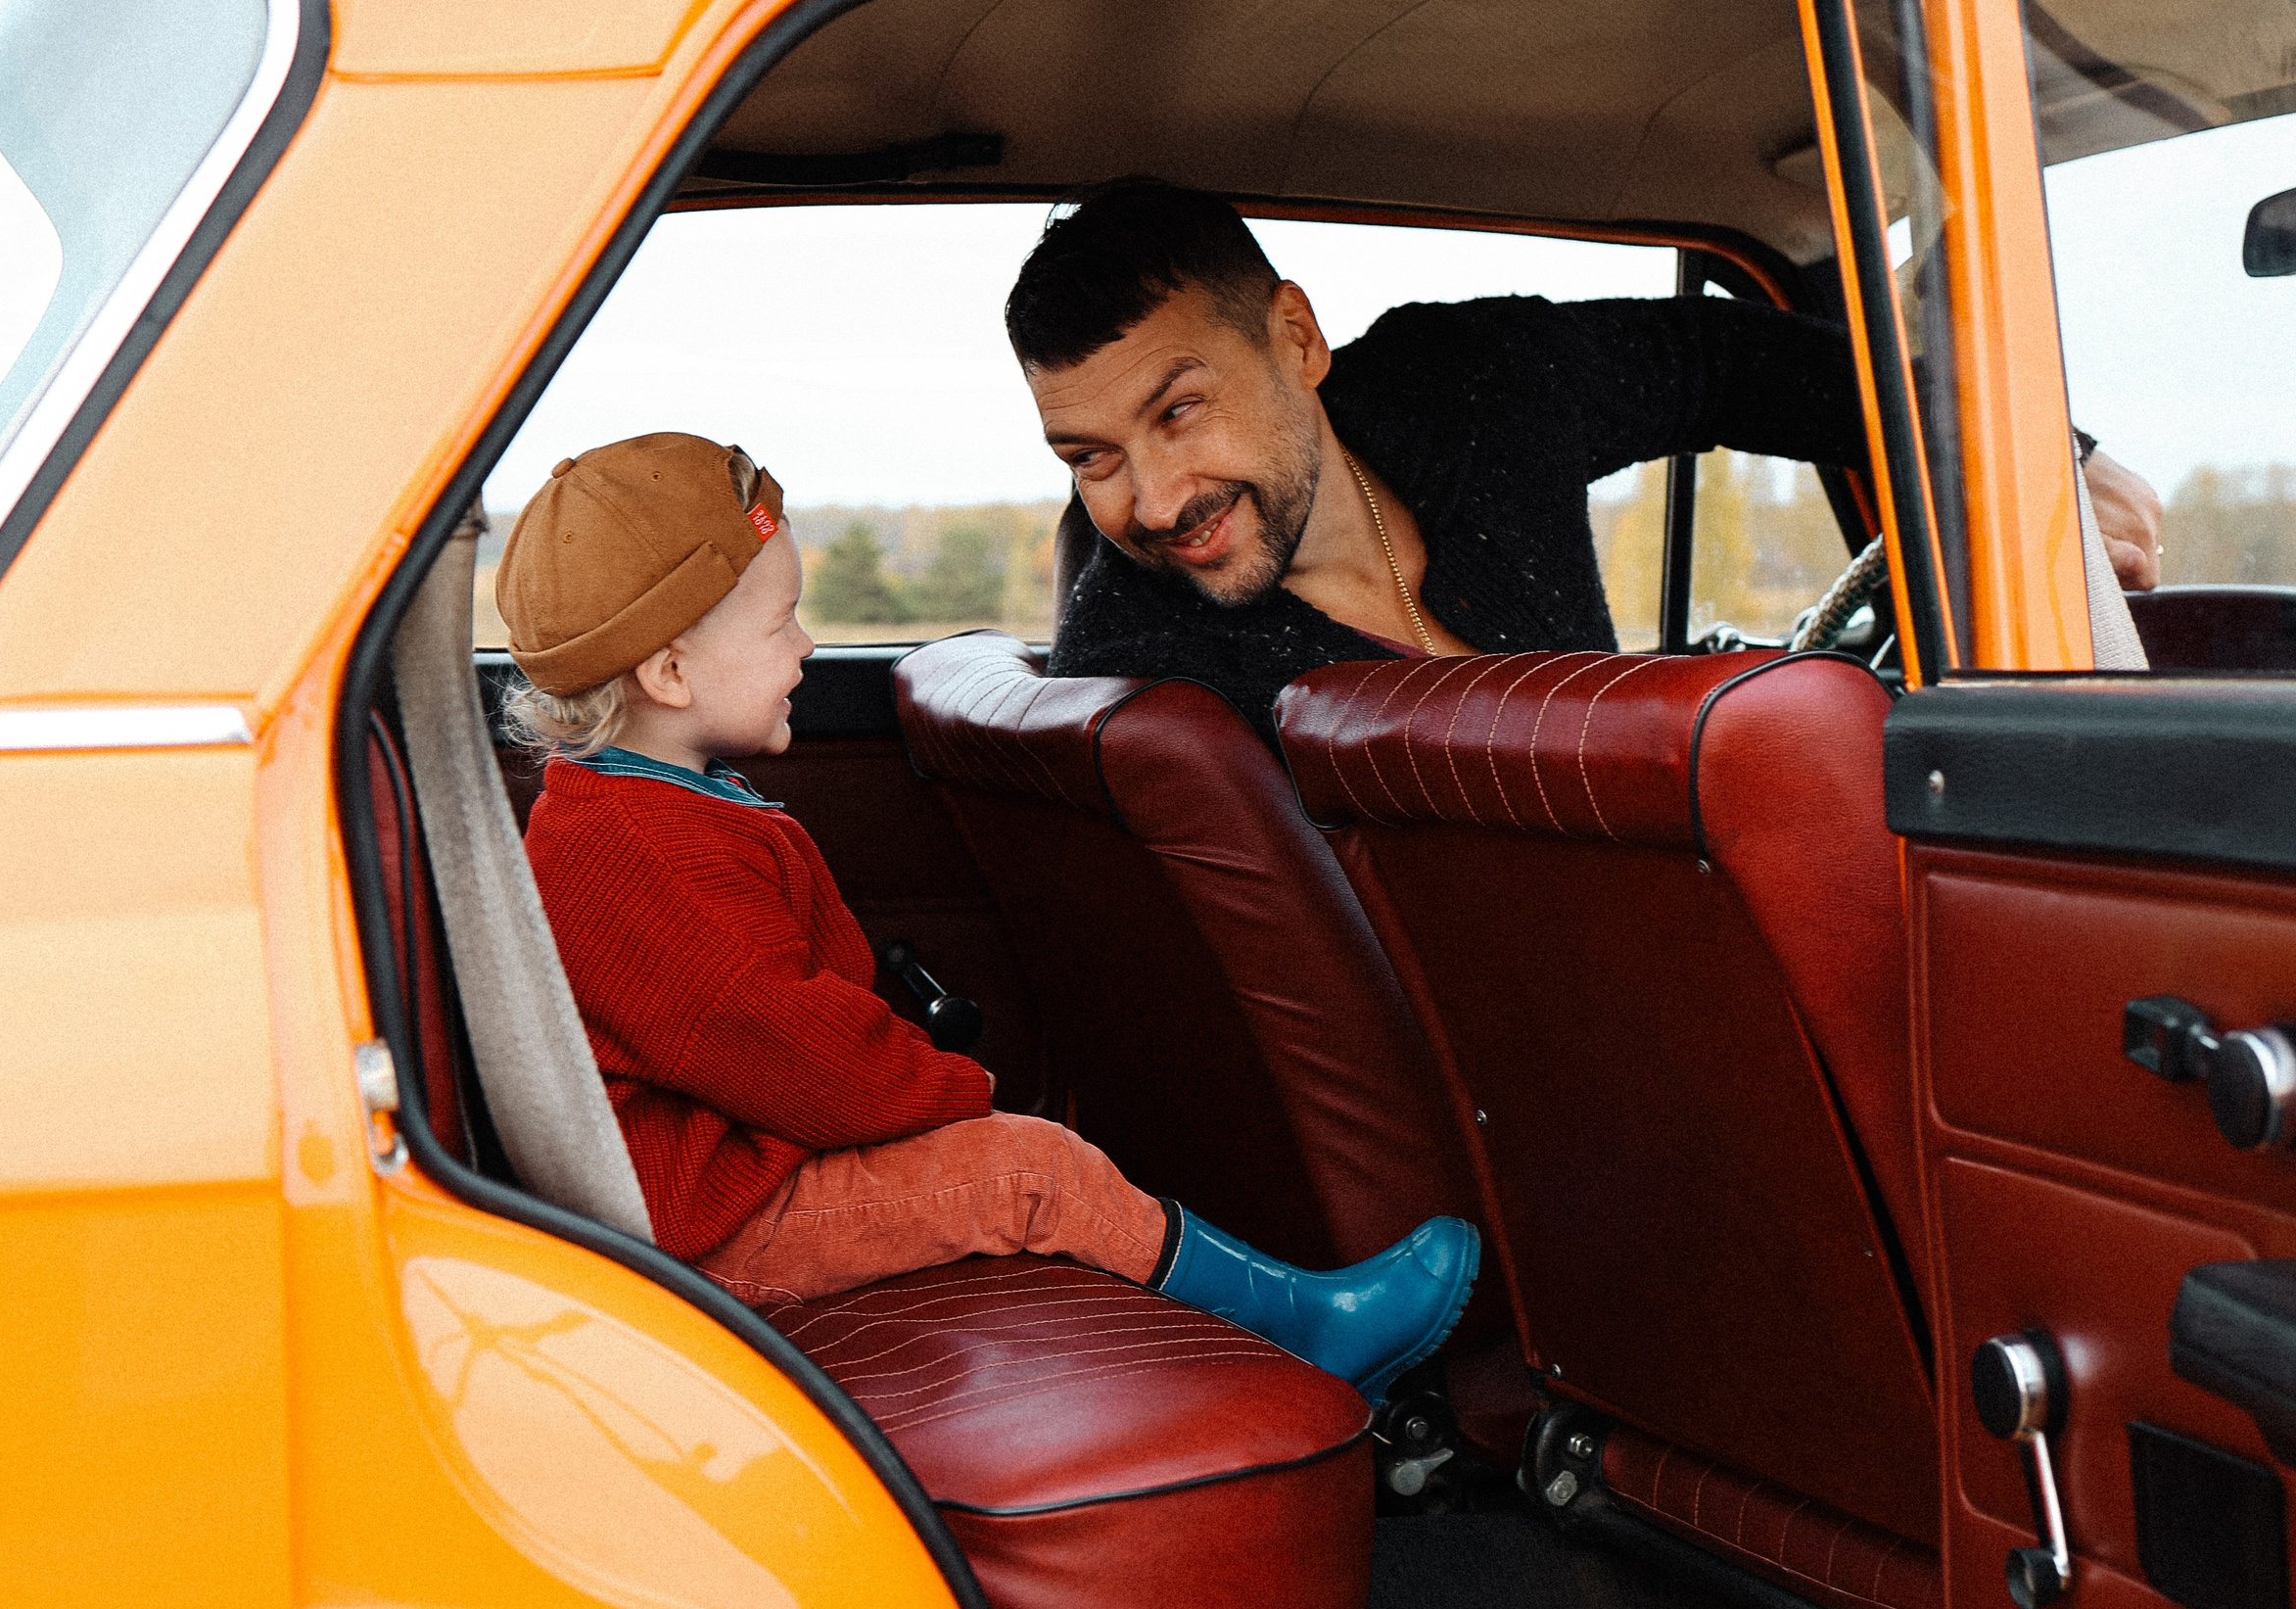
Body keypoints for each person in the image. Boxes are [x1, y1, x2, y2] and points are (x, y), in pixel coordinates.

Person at [493, 430, 1477, 1401]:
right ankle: (1309, 1333)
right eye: (781, 624)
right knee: (1030, 1171)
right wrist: (962, 1101)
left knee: (1012, 1156)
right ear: (669, 675)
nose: (803, 644)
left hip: (725, 1190)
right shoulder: (639, 854)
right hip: (717, 1238)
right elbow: (807, 1057)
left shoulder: (641, 809)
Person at [1008, 180, 2164, 727]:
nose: (1154, 501)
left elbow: (1725, 359)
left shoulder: (1467, 385)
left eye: (1177, 413)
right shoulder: (1132, 664)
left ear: (1297, 341)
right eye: (1089, 457)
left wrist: (2026, 451)